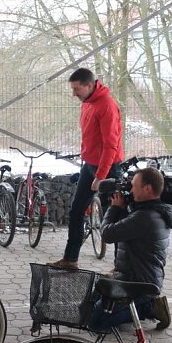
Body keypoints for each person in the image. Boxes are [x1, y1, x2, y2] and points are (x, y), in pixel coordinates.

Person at [48, 68, 125, 269]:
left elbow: (111, 145)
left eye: (76, 89)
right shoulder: (87, 103)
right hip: (89, 165)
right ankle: (70, 259)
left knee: (115, 216)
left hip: (109, 168)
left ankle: (121, 269)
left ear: (89, 85)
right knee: (76, 211)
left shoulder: (107, 106)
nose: (74, 94)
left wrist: (100, 175)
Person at [86, 167, 172, 333]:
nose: (130, 190)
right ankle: (132, 309)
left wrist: (114, 208)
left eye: (134, 186)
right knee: (89, 303)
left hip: (139, 287)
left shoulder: (145, 217)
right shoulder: (149, 211)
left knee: (95, 322)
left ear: (147, 189)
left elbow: (107, 234)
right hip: (131, 277)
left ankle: (151, 308)